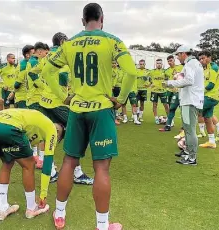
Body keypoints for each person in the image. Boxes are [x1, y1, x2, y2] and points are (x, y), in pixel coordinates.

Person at [42, 3, 138, 230]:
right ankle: (102, 225)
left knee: (68, 161)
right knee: (101, 168)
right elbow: (131, 72)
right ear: (102, 18)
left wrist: (62, 96)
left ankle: (60, 214)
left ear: (82, 20)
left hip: (76, 109)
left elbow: (47, 71)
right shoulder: (112, 40)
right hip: (101, 109)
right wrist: (122, 98)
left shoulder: (69, 44)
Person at [38, 32, 94, 185]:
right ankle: (77, 173)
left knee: (55, 132)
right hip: (59, 103)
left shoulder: (46, 57)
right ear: (63, 42)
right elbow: (63, 78)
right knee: (78, 133)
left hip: (46, 101)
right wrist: (66, 96)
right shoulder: (62, 55)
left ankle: (49, 170)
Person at [0, 109, 56, 220]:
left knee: (7, 162)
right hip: (7, 127)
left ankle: (3, 208)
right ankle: (31, 208)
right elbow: (48, 163)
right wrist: (43, 194)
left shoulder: (35, 120)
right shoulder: (52, 130)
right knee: (29, 164)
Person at [163, 45, 204, 165]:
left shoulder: (190, 64)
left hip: (189, 100)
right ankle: (188, 152)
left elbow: (189, 81)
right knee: (187, 128)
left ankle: (192, 158)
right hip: (190, 100)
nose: (177, 57)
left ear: (183, 54)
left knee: (190, 129)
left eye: (178, 55)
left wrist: (170, 83)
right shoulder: (193, 63)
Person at [197, 51, 219, 148]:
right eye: (200, 59)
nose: (201, 60)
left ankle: (185, 135)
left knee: (193, 111)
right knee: (207, 118)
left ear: (209, 57)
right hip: (209, 97)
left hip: (210, 97)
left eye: (203, 58)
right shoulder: (205, 69)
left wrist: (199, 92)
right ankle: (212, 141)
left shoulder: (214, 68)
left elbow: (210, 85)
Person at [159, 55, 183, 132]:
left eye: (171, 60)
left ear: (174, 60)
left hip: (180, 91)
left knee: (181, 108)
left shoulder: (181, 67)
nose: (170, 62)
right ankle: (169, 125)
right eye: (168, 61)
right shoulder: (166, 71)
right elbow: (165, 80)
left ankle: (184, 127)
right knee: (171, 107)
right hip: (170, 91)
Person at [149, 59, 169, 124]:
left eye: (160, 63)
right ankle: (156, 119)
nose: (159, 64)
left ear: (162, 64)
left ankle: (170, 120)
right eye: (157, 63)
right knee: (154, 105)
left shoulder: (165, 71)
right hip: (154, 91)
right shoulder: (152, 72)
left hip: (163, 91)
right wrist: (150, 83)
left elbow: (170, 78)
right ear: (155, 64)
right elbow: (144, 77)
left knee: (166, 105)